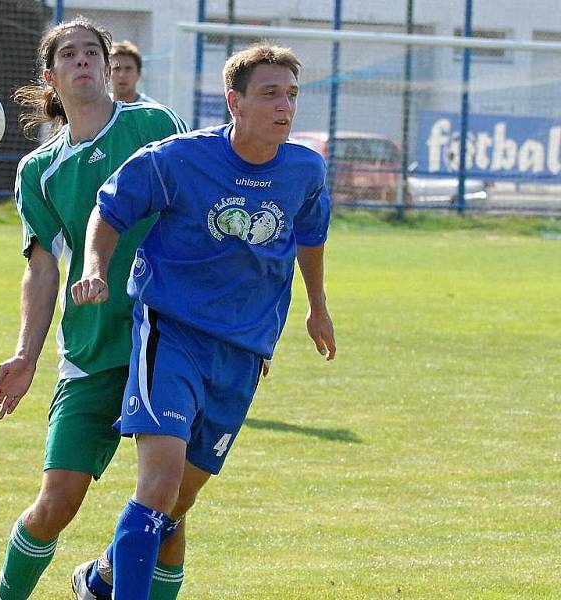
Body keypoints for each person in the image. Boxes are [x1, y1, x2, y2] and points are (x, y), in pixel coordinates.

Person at [71, 43, 337, 599]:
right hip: (171, 333)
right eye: (269, 95)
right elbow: (109, 209)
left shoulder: (306, 170)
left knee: (181, 499)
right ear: (233, 102)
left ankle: (101, 578)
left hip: (242, 349)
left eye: (291, 95)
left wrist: (317, 305)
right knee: (160, 483)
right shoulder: (180, 159)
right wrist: (95, 267)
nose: (284, 107)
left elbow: (309, 238)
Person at [0, 17, 188, 600]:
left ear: (107, 65)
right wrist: (24, 354)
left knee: (168, 509)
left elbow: (195, 209)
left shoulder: (154, 125)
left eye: (91, 53)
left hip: (170, 341)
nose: (82, 62)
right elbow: (43, 266)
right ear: (50, 75)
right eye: (68, 55)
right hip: (93, 346)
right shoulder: (39, 171)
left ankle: (105, 579)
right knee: (57, 502)